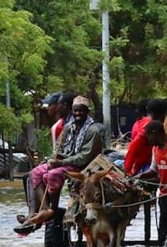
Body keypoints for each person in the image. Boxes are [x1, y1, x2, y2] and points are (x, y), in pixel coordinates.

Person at [15, 96, 104, 234]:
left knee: (52, 175)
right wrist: (52, 159)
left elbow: (83, 157)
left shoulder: (92, 131)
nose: (78, 114)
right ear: (72, 111)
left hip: (81, 166)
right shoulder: (68, 127)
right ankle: (37, 211)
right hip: (64, 161)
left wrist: (60, 162)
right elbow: (58, 148)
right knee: (35, 173)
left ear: (87, 111)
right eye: (75, 111)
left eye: (81, 111)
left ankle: (53, 208)